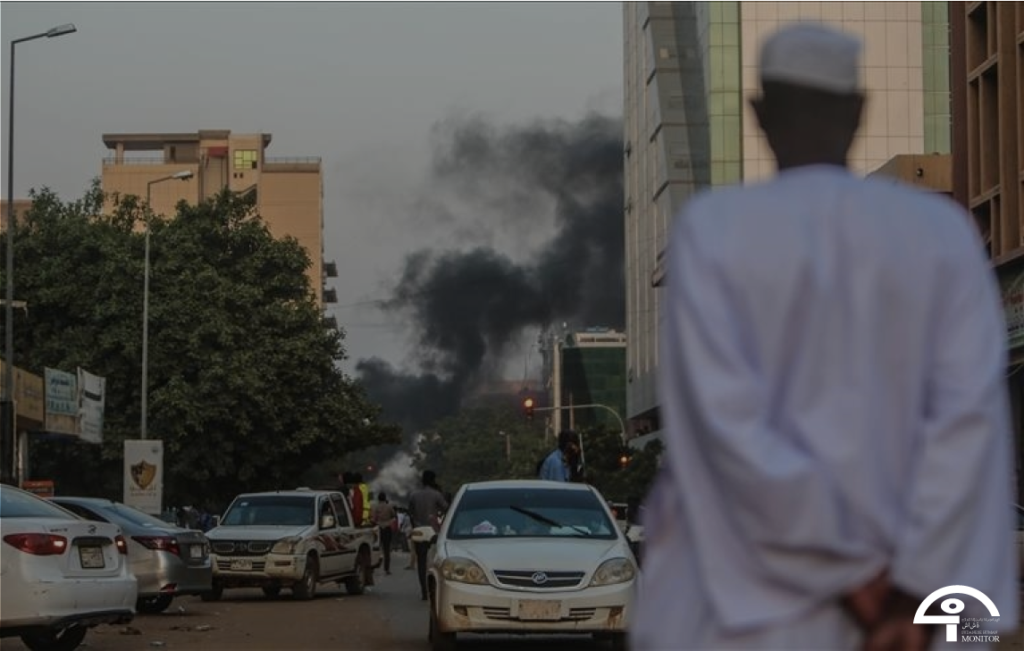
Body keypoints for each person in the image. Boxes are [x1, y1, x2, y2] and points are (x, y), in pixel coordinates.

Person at [631, 22, 1018, 651]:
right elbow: (966, 425)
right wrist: (908, 590)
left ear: (760, 115)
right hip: (910, 610)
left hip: (748, 608)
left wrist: (859, 580)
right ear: (860, 111)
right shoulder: (941, 235)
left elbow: (726, 428)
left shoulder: (716, 231)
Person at [407, 470, 448, 601]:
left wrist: (415, 527)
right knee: (436, 562)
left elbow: (411, 513)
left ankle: (424, 591)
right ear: (433, 480)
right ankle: (434, 589)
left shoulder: (414, 495)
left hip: (419, 530)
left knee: (421, 562)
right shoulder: (437, 495)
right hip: (434, 531)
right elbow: (446, 508)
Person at [370, 492, 397, 575]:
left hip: (379, 528)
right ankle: (387, 569)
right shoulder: (389, 507)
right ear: (385, 498)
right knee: (387, 549)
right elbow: (394, 516)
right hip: (387, 528)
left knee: (376, 548)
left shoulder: (375, 507)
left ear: (378, 498)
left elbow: (373, 519)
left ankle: (373, 566)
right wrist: (389, 522)